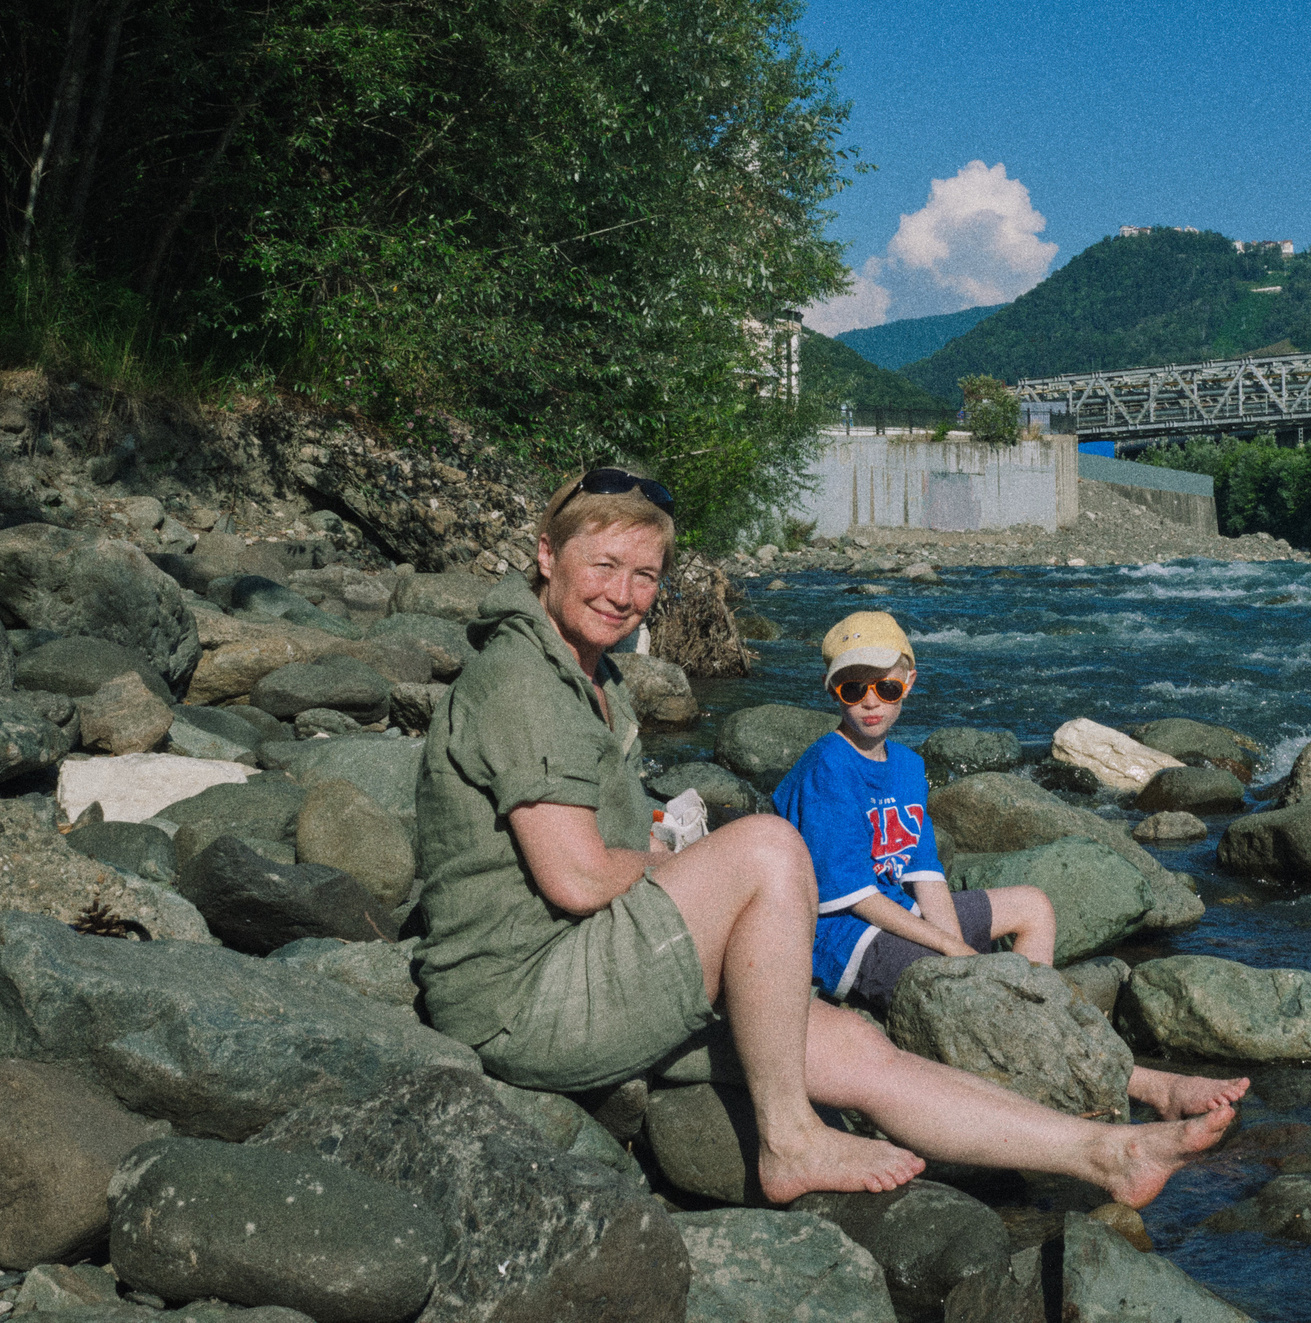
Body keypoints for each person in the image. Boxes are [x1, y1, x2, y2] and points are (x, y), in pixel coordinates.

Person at [411, 468, 1234, 1205]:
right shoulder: (522, 677)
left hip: (598, 969)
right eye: (604, 566)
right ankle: (789, 1139)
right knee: (768, 845)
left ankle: (1106, 1151)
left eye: (644, 575)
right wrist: (703, 870)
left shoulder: (592, 676)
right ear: (548, 554)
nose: (625, 594)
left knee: (858, 1047)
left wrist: (680, 869)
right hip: (526, 999)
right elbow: (579, 879)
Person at [773, 611, 1249, 1121]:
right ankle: (1145, 1083)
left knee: (1032, 906)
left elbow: (925, 871)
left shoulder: (908, 767)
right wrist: (952, 950)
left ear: (908, 683)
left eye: (886, 688)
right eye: (853, 689)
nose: (870, 701)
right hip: (844, 937)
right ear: (832, 692)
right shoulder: (827, 766)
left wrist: (959, 951)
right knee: (970, 983)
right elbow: (852, 895)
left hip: (897, 911)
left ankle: (1033, 1016)